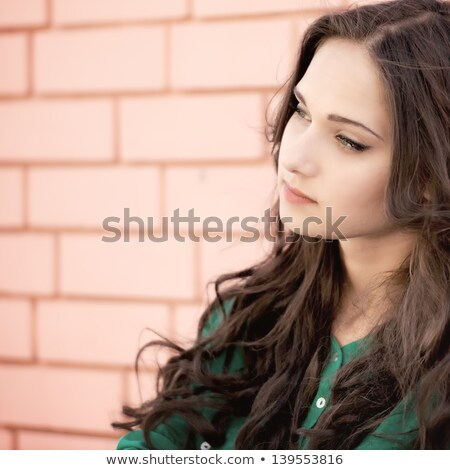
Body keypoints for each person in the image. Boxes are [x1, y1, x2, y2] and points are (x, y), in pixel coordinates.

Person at [111, 0, 449, 450]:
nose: (293, 157)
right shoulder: (253, 313)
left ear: (430, 174)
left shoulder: (436, 368)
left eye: (349, 140)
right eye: (302, 111)